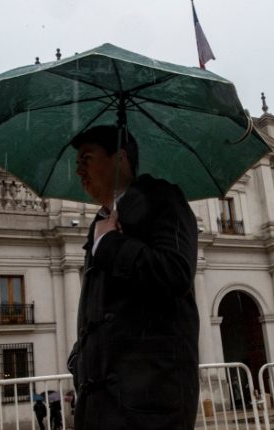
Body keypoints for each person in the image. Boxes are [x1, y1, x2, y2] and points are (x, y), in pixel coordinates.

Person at [67, 125, 199, 429]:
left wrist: (110, 243)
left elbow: (175, 272)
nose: (79, 171)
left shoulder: (164, 200)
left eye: (86, 159)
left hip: (149, 407)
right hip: (101, 407)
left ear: (120, 158)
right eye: (77, 164)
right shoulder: (101, 222)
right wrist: (79, 360)